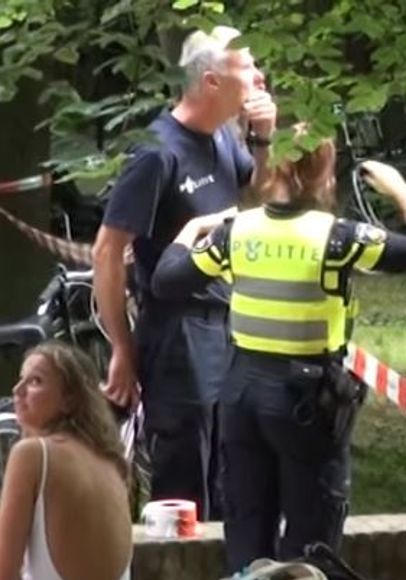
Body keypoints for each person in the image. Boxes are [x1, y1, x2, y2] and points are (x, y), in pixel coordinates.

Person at [150, 127, 406, 572]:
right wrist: (397, 185)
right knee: (312, 542)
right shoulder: (338, 237)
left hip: (240, 395)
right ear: (324, 172)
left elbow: (166, 280)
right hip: (305, 400)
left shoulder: (236, 232)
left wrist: (193, 228)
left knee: (247, 533)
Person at [91, 25, 277, 521]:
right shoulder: (157, 152)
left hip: (227, 321)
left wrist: (261, 141)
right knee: (184, 485)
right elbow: (107, 252)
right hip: (176, 334)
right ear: (212, 81)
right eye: (247, 68)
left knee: (228, 470)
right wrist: (122, 350)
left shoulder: (221, 136)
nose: (260, 77)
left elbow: (255, 198)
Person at [1, 342, 135, 580]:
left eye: (35, 381)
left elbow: (4, 574)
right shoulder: (110, 458)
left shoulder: (33, 453)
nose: (18, 390)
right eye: (20, 379)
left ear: (69, 400)